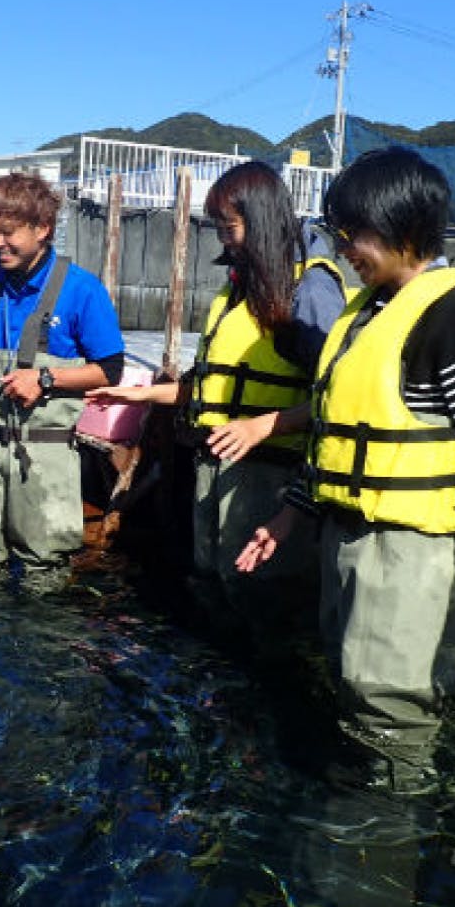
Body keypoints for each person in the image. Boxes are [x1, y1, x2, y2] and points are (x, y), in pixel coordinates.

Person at [236, 146, 455, 790]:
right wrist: (288, 515)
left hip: (412, 554)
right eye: (339, 234)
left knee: (391, 722)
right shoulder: (366, 314)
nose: (344, 250)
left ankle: (371, 870)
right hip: (348, 541)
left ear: (407, 230)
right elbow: (342, 436)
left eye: (354, 234)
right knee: (357, 703)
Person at [87, 161, 346, 632]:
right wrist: (132, 393)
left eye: (230, 227)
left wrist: (266, 425)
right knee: (210, 583)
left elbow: (341, 396)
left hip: (270, 475)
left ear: (263, 220)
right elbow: (209, 388)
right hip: (217, 466)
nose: (223, 239)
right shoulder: (243, 288)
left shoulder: (310, 289)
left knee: (258, 595)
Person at [0, 172, 125, 579]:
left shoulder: (82, 290)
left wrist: (44, 380)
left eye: (7, 233)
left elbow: (110, 371)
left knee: (45, 571)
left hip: (44, 455)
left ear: (42, 228)